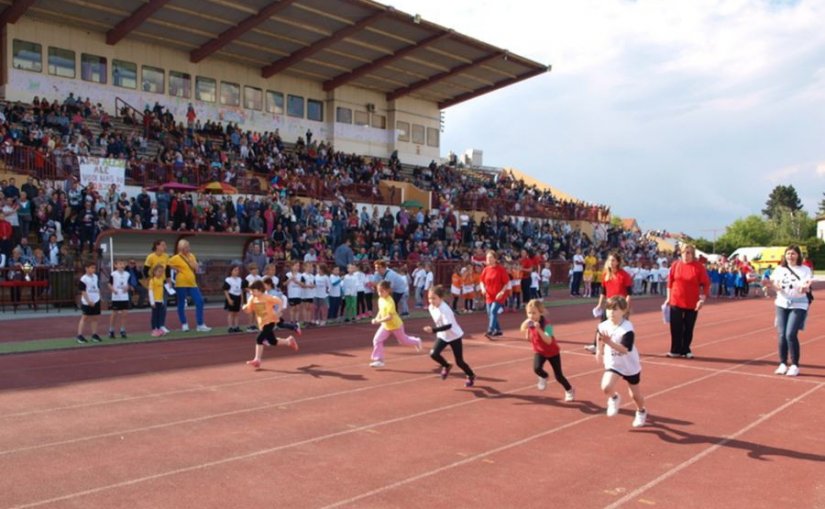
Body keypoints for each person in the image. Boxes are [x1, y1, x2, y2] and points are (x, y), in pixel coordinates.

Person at [596, 296, 647, 428]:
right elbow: (599, 335)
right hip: (614, 363)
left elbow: (625, 349)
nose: (611, 312)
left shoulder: (627, 329)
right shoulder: (603, 324)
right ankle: (614, 398)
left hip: (629, 364)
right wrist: (598, 350)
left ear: (624, 311)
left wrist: (609, 343)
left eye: (615, 309)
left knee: (635, 395)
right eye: (608, 309)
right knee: (606, 386)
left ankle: (641, 411)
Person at [770, 245, 812, 377]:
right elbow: (773, 282)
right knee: (781, 334)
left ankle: (794, 365)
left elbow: (807, 284)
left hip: (799, 304)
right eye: (788, 254)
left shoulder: (805, 269)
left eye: (793, 254)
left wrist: (804, 288)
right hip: (782, 303)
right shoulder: (779, 269)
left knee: (790, 334)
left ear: (798, 255)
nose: (790, 256)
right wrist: (773, 286)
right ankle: (782, 363)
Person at [521, 299, 575, 401]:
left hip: (552, 352)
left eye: (534, 313)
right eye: (529, 313)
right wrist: (527, 327)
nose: (531, 315)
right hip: (540, 351)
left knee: (559, 376)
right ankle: (544, 376)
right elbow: (524, 331)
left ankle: (569, 390)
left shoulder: (547, 324)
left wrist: (538, 329)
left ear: (540, 312)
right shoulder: (530, 322)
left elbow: (549, 340)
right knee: (537, 368)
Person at [423, 285, 476, 387]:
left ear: (441, 298)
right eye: (429, 298)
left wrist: (433, 330)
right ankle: (446, 366)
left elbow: (449, 325)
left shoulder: (445, 309)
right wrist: (436, 330)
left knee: (459, 361)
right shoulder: (431, 307)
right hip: (443, 335)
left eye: (434, 298)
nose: (431, 300)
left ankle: (470, 375)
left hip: (454, 335)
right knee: (433, 354)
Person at [665, 244, 710, 358]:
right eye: (684, 252)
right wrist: (668, 298)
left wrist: (702, 300)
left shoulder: (698, 267)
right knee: (676, 327)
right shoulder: (675, 265)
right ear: (681, 253)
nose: (686, 254)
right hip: (676, 300)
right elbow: (670, 283)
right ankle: (675, 350)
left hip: (692, 302)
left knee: (688, 327)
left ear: (693, 254)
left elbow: (705, 284)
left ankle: (686, 349)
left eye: (689, 252)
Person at [242, 280, 299, 369]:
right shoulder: (252, 299)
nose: (251, 292)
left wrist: (278, 311)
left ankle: (257, 360)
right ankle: (289, 341)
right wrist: (245, 308)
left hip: (270, 321)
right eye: (250, 291)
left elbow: (279, 301)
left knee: (259, 338)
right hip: (262, 323)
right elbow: (249, 309)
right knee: (273, 341)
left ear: (260, 290)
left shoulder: (267, 297)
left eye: (253, 291)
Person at [586, 252, 633, 353]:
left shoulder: (624, 275)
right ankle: (596, 346)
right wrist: (599, 304)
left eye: (613, 260)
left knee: (621, 327)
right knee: (602, 325)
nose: (611, 262)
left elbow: (629, 293)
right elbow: (603, 292)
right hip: (609, 305)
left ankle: (622, 347)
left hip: (620, 305)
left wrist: (626, 307)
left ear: (618, 262)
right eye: (609, 260)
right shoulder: (605, 275)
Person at [369, 281, 422, 368]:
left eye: (382, 291)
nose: (380, 293)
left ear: (388, 290)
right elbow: (380, 311)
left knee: (404, 341)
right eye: (378, 291)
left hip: (396, 325)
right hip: (386, 326)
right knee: (377, 340)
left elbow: (389, 317)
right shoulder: (380, 299)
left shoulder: (390, 302)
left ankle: (417, 341)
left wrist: (378, 321)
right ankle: (379, 360)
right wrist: (377, 318)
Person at [167, 239, 211, 332]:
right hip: (181, 284)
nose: (188, 248)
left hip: (192, 283)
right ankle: (184, 324)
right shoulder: (176, 257)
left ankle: (200, 324)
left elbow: (196, 267)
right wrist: (175, 269)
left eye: (188, 246)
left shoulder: (192, 256)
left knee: (199, 301)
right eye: (186, 247)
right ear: (181, 248)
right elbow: (167, 264)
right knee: (181, 303)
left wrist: (194, 263)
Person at [480, 250, 510, 339]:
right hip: (489, 295)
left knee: (493, 311)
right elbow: (481, 280)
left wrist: (502, 292)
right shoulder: (486, 269)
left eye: (490, 258)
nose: (488, 259)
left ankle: (490, 329)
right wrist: (482, 288)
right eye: (487, 258)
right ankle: (498, 330)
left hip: (499, 295)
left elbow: (506, 282)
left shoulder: (501, 269)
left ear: (495, 259)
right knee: (490, 313)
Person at [143, 240, 170, 334]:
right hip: (154, 283)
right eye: (163, 245)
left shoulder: (166, 256)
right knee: (155, 307)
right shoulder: (151, 257)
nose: (165, 246)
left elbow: (168, 270)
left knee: (164, 305)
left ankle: (161, 325)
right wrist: (150, 280)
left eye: (165, 245)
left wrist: (169, 280)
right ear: (157, 246)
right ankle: (155, 327)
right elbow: (145, 270)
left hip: (163, 283)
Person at [77, 262, 102, 344]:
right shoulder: (83, 279)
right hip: (87, 301)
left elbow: (96, 287)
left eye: (94, 268)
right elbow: (83, 291)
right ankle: (79, 335)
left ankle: (94, 334)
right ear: (86, 268)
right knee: (85, 318)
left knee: (95, 318)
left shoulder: (95, 277)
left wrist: (99, 297)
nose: (93, 269)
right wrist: (88, 301)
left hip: (96, 300)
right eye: (91, 268)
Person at [108, 259, 131, 339]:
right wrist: (113, 290)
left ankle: (122, 330)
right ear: (115, 265)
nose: (121, 265)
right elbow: (109, 284)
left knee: (125, 313)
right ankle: (111, 330)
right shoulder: (113, 274)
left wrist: (127, 288)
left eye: (123, 264)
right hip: (116, 297)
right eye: (119, 264)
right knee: (114, 313)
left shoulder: (127, 274)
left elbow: (128, 283)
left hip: (124, 296)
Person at [223, 265, 244, 333]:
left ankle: (236, 326)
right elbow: (225, 290)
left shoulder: (240, 279)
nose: (237, 271)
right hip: (231, 296)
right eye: (235, 270)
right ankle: (230, 327)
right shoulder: (228, 280)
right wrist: (229, 299)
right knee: (231, 313)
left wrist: (242, 299)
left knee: (237, 313)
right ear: (231, 271)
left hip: (238, 297)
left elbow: (241, 290)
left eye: (237, 270)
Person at [148, 264, 167, 337]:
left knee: (159, 315)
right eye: (159, 271)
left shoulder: (161, 280)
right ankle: (154, 329)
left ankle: (159, 328)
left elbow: (161, 291)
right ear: (155, 272)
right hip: (155, 301)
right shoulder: (152, 280)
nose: (160, 273)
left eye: (162, 272)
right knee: (154, 316)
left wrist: (162, 300)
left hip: (160, 300)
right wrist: (152, 302)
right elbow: (150, 291)